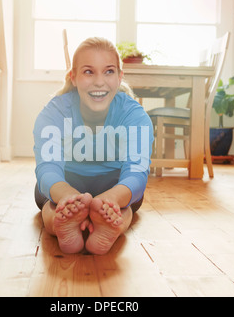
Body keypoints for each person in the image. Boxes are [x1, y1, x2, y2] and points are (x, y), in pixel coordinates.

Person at [33, 37, 154, 255]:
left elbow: (136, 171)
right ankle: (61, 225)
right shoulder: (54, 112)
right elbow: (47, 168)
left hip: (115, 183)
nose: (99, 81)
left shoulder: (134, 115)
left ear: (119, 77)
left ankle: (111, 226)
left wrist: (112, 199)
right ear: (74, 77)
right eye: (88, 72)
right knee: (47, 201)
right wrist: (68, 197)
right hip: (66, 181)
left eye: (108, 71)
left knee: (129, 203)